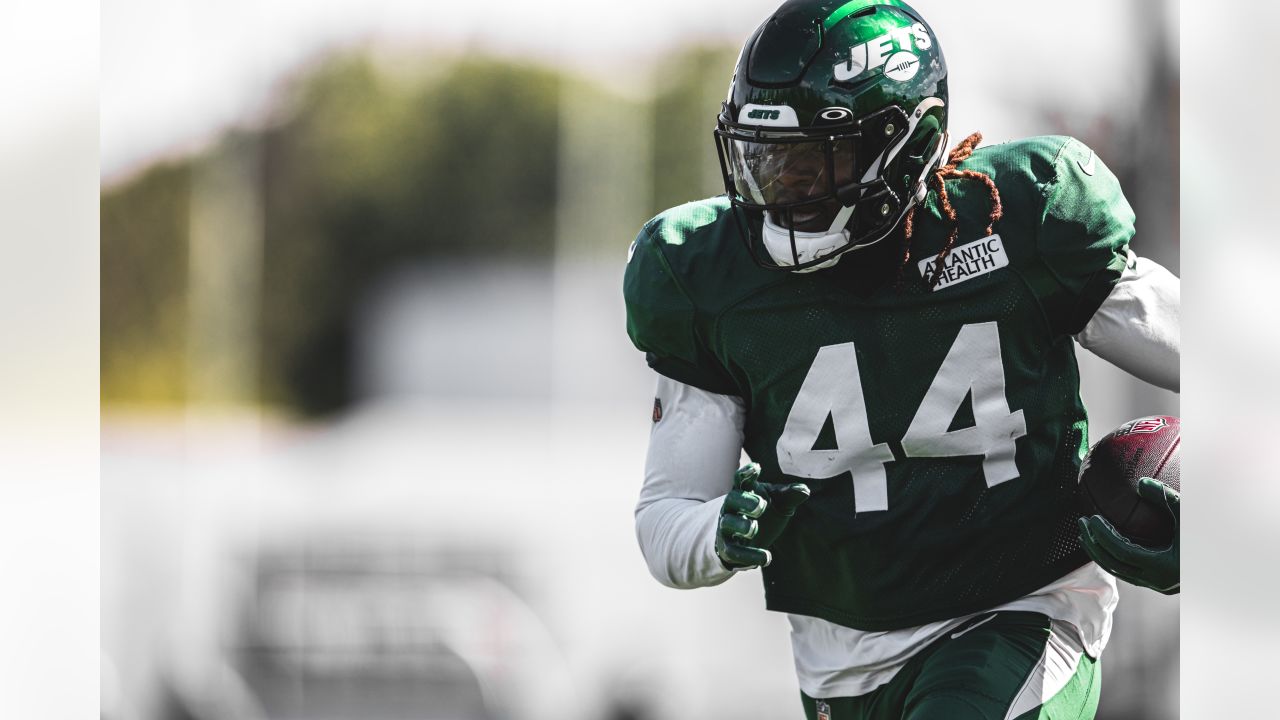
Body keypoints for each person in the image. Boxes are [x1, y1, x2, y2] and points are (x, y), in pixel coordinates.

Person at [621, 1, 1180, 718]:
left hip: (1019, 613)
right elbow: (666, 517)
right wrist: (719, 534)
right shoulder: (707, 281)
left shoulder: (1022, 222)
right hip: (838, 666)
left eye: (811, 165)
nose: (781, 196)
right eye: (765, 163)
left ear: (906, 146)